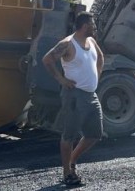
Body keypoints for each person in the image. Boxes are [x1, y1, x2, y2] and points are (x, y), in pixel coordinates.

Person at [42, 11, 104, 187]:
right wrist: (61, 79)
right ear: (85, 26)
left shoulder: (91, 41)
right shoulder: (68, 44)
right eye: (93, 24)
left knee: (95, 134)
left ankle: (72, 161)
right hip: (74, 95)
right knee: (69, 135)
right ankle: (67, 174)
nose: (95, 27)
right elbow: (47, 59)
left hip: (91, 95)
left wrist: (96, 76)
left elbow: (100, 57)